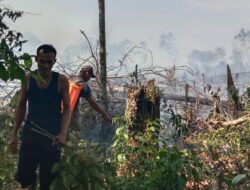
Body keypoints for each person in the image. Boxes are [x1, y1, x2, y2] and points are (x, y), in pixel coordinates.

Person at [9, 44, 71, 190]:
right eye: (42, 61)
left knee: (48, 182)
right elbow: (21, 105)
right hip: (30, 135)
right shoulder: (28, 78)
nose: (45, 65)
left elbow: (67, 108)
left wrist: (63, 133)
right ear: (36, 59)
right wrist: (14, 134)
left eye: (49, 62)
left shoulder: (61, 81)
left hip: (52, 138)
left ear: (54, 61)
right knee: (24, 178)